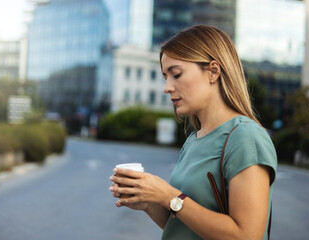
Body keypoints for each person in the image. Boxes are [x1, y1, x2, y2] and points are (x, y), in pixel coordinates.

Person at [109, 24, 277, 240]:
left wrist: (170, 196)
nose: (166, 87)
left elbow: (247, 236)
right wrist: (150, 203)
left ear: (213, 71)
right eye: (165, 77)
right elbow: (185, 227)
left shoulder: (245, 137)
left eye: (176, 74)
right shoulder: (193, 141)